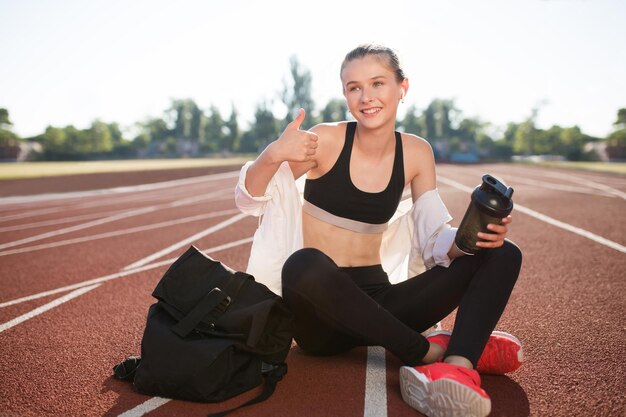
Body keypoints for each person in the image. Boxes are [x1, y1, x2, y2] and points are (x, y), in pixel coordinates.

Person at [234, 44, 523, 417]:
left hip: (380, 304)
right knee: (303, 264)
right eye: (354, 87)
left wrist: (474, 238)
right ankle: (427, 352)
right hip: (319, 318)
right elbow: (251, 199)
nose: (366, 96)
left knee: (504, 252)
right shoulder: (327, 140)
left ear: (402, 88)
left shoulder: (417, 152)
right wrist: (272, 154)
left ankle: (458, 366)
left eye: (377, 83)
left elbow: (435, 240)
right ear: (345, 94)